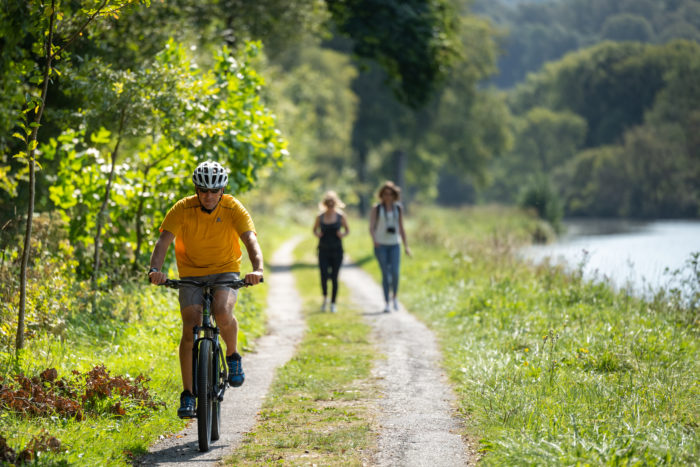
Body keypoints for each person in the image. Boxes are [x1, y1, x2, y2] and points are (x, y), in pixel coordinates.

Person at [148, 161, 264, 419]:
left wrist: (258, 269)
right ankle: (188, 394)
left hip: (225, 270)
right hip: (191, 273)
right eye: (203, 191)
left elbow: (250, 239)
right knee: (190, 326)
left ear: (222, 189)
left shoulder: (233, 207)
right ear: (196, 190)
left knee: (222, 312)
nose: (209, 196)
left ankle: (232, 355)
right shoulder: (182, 208)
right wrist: (154, 270)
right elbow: (163, 241)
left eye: (214, 191)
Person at [369, 181, 411, 313]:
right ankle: (386, 302)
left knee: (395, 273)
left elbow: (402, 228)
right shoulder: (377, 208)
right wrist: (374, 240)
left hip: (394, 244)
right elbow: (371, 227)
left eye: (390, 194)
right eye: (385, 194)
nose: (388, 196)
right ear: (382, 195)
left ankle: (395, 297)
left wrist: (406, 246)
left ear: (394, 195)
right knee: (385, 274)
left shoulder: (398, 208)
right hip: (380, 245)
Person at [313, 191, 350, 313]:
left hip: (337, 250)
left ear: (336, 203)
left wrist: (342, 234)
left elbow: (347, 230)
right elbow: (314, 230)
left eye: (332, 203)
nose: (330, 205)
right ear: (325, 204)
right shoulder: (320, 216)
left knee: (334, 277)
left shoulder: (341, 216)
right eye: (328, 203)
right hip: (323, 250)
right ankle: (325, 299)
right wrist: (317, 234)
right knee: (323, 276)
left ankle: (333, 303)